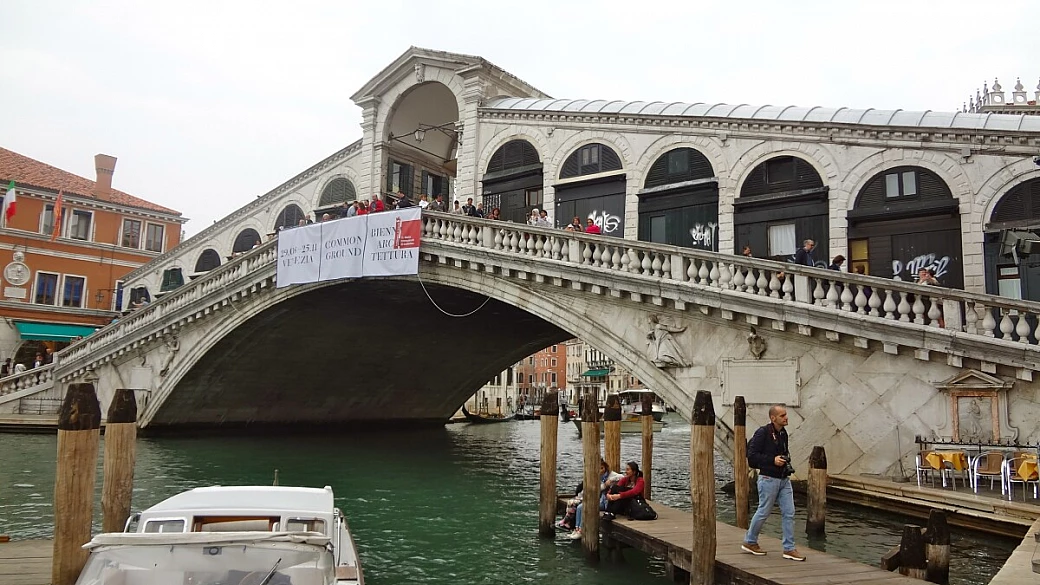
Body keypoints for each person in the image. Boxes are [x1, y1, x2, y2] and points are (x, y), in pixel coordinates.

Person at [742, 404, 805, 561]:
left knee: (789, 513)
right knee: (764, 511)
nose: (786, 418)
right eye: (782, 415)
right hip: (768, 479)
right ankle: (750, 541)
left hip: (784, 479)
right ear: (773, 418)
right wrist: (772, 460)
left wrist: (784, 460)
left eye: (786, 415)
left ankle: (789, 548)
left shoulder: (783, 434)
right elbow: (752, 457)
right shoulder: (762, 433)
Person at [567, 459, 623, 540]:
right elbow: (597, 489)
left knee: (583, 507)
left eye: (602, 468)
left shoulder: (611, 474)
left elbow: (622, 476)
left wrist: (611, 480)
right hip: (601, 501)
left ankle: (581, 530)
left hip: (607, 503)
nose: (600, 470)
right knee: (580, 507)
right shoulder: (596, 477)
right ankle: (577, 529)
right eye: (598, 468)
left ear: (605, 468)